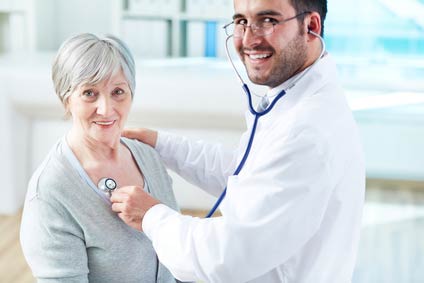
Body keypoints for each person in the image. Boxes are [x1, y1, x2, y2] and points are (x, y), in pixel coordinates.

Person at [111, 0, 365, 282]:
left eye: (267, 20)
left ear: (311, 26)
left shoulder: (306, 130)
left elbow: (226, 257)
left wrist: (151, 216)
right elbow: (250, 174)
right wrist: (162, 144)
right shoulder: (293, 100)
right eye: (241, 21)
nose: (249, 39)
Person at [20, 33, 180, 283]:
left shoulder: (148, 158)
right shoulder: (51, 193)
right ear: (66, 98)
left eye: (118, 91)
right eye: (89, 93)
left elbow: (178, 258)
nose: (106, 109)